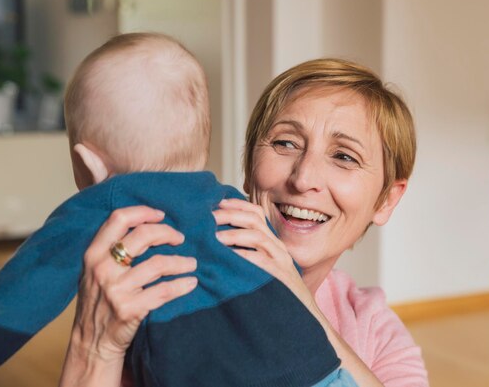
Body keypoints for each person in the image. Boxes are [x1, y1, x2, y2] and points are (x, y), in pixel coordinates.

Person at [0, 34, 358, 387]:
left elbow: (21, 295)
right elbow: (280, 273)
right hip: (321, 369)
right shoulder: (232, 203)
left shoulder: (107, 202)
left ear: (87, 164)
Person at [58, 57, 430, 387]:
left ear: (386, 199)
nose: (303, 179)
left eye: (345, 156)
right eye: (285, 143)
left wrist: (302, 308)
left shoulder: (375, 331)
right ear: (250, 169)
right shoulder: (165, 280)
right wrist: (95, 347)